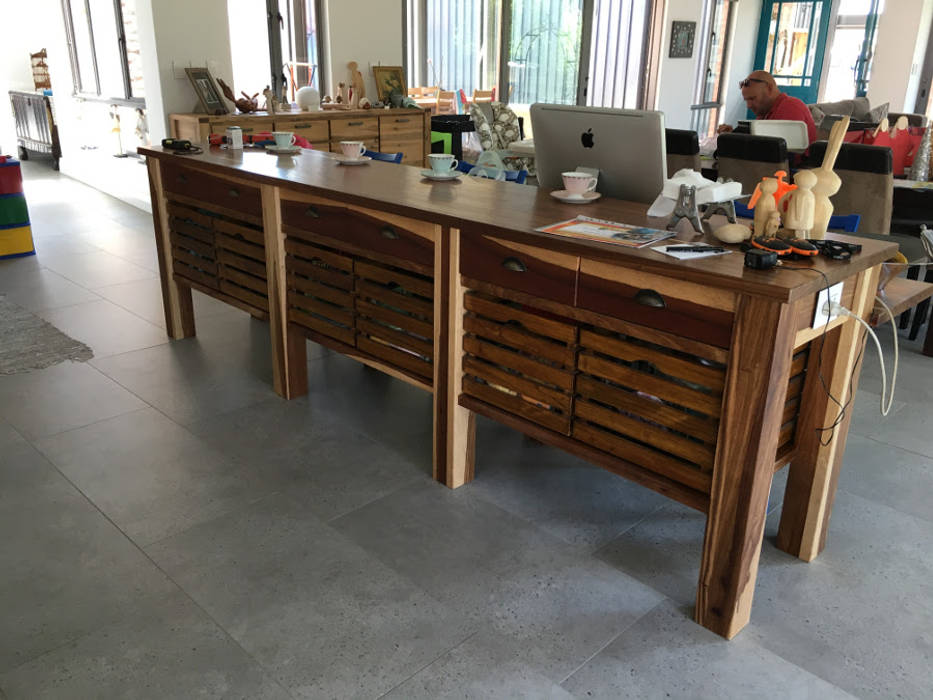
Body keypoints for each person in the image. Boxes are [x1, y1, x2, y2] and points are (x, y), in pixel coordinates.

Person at [717, 71, 818, 144]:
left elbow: (775, 152)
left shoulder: (790, 107)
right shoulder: (765, 112)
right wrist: (732, 136)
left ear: (769, 89)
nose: (748, 105)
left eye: (752, 99)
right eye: (746, 100)